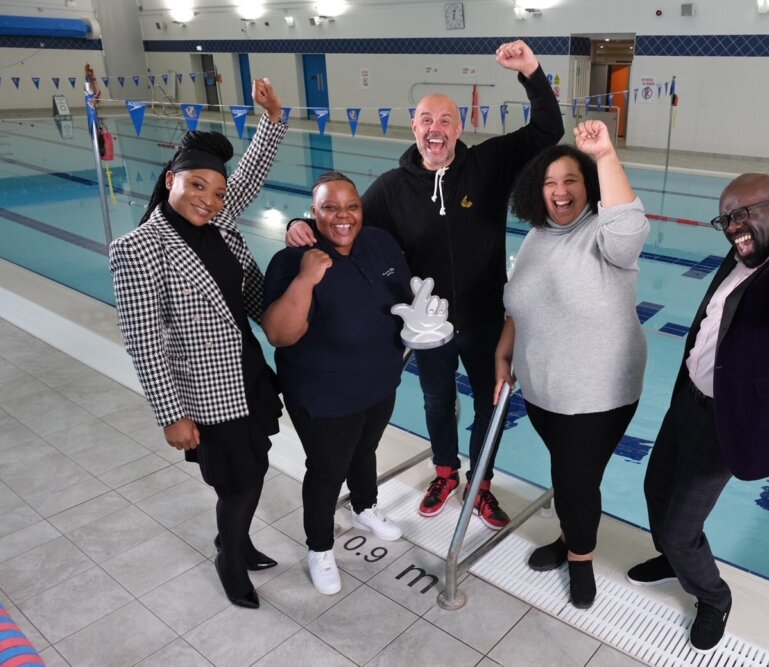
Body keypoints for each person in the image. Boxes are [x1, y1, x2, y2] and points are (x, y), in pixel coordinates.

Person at [285, 39, 564, 529]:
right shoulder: (393, 188)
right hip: (428, 327)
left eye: (445, 121)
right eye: (426, 121)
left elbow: (548, 129)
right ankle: (445, 472)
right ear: (414, 127)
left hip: (483, 322)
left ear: (459, 128)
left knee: (489, 404)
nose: (435, 130)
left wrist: (531, 71)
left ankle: (481, 482)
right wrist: (298, 223)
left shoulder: (488, 165)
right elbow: (345, 224)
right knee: (437, 401)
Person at [625, 88, 769, 652]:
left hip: (729, 422)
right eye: (726, 220)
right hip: (688, 403)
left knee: (681, 527)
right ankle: (676, 558)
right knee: (656, 491)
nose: (733, 228)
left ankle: (712, 597)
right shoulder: (749, 249)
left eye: (744, 215)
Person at [109, 78, 287, 610]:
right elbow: (144, 343)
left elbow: (249, 172)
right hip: (206, 393)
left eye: (216, 191)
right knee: (240, 479)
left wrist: (273, 120)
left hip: (247, 370)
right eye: (197, 186)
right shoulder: (138, 249)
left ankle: (236, 540)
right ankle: (230, 557)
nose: (208, 199)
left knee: (251, 466)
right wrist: (171, 414)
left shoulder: (222, 221)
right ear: (171, 180)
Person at [495, 120, 650, 609]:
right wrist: (505, 351)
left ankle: (579, 558)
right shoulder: (540, 234)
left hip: (597, 393)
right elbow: (523, 303)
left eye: (570, 181)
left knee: (576, 484)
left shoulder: (605, 236)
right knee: (570, 477)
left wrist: (605, 154)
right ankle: (569, 538)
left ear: (589, 186)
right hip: (543, 391)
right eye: (549, 183)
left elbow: (629, 228)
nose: (559, 192)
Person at [261, 172, 412, 595]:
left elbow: (405, 299)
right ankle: (320, 547)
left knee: (365, 450)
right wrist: (306, 278)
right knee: (327, 469)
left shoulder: (379, 242)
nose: (342, 217)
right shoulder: (292, 260)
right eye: (330, 207)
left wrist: (423, 323)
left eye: (351, 206)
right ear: (314, 213)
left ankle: (365, 507)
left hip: (380, 380)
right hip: (323, 392)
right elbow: (279, 334)